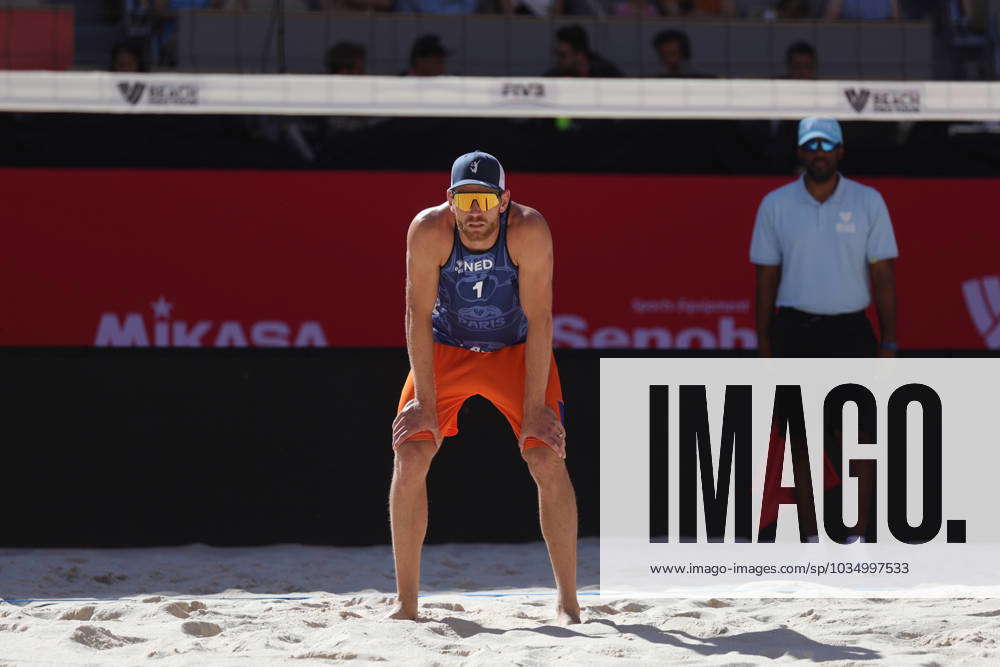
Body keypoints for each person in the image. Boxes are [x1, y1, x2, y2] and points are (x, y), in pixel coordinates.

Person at [389, 151, 580, 625]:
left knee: (545, 454)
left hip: (514, 351)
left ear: (505, 201)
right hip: (446, 349)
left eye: (486, 200)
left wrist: (536, 407)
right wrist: (425, 404)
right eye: (466, 199)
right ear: (449, 201)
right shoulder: (428, 230)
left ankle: (569, 601)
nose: (476, 211)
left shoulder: (528, 230)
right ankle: (407, 605)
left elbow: (540, 318)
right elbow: (416, 314)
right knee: (412, 453)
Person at [750, 117, 899, 359]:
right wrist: (764, 347)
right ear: (800, 152)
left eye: (827, 145)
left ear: (841, 150)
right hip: (793, 332)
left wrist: (889, 342)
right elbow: (766, 279)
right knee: (792, 399)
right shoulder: (775, 204)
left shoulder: (868, 201)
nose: (820, 153)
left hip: (851, 332)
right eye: (811, 146)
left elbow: (883, 275)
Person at [546, 25, 623, 77]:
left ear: (579, 54)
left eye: (562, 55)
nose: (558, 59)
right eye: (557, 54)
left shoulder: (606, 74)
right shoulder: (554, 76)